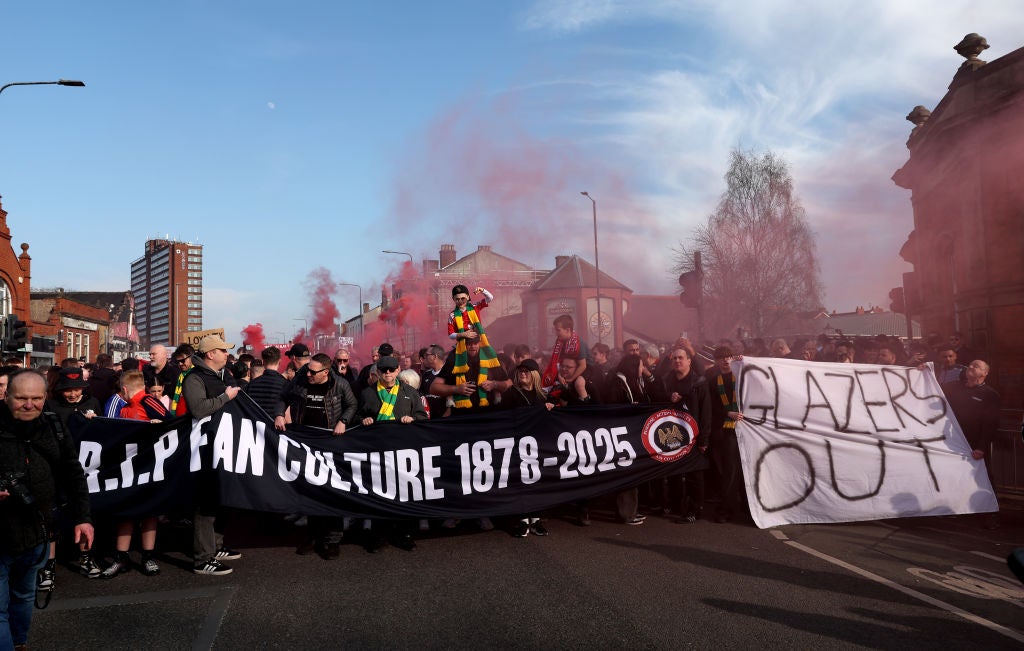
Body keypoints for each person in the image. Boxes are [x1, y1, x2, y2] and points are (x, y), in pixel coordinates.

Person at [1, 370, 94, 650]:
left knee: (24, 596)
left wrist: (83, 518)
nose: (29, 405)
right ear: (6, 397)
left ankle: (19, 643)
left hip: (37, 531)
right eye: (21, 398)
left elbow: (73, 473)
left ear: (45, 397)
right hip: (0, 533)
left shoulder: (53, 425)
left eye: (36, 398)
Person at [281, 353, 358, 560]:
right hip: (305, 442)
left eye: (313, 372)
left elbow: (352, 405)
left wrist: (343, 420)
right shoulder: (300, 379)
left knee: (332, 493)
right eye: (308, 370)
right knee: (309, 491)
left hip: (331, 444)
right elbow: (282, 397)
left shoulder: (340, 384)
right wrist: (280, 414)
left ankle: (332, 540)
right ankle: (313, 536)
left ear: (325, 372)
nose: (308, 374)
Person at [181, 335, 242, 576]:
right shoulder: (194, 377)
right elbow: (197, 409)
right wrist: (226, 397)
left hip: (221, 445)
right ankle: (202, 558)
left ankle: (215, 546)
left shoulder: (220, 375)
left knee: (219, 496)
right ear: (210, 354)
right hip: (204, 448)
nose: (227, 354)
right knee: (204, 501)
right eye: (222, 350)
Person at [101, 371, 168, 578]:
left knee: (149, 512)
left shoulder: (149, 400)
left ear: (124, 389)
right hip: (129, 468)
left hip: (149, 466)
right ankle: (122, 557)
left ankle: (147, 556)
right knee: (126, 511)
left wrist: (160, 426)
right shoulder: (125, 408)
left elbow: (172, 422)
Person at [358, 355, 427, 551]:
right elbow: (357, 416)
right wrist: (364, 421)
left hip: (404, 451)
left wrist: (413, 419)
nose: (387, 373)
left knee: (406, 494)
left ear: (397, 371)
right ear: (377, 372)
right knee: (379, 495)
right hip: (378, 451)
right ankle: (379, 536)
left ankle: (405, 535)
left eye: (391, 370)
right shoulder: (367, 393)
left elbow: (422, 416)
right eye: (383, 370)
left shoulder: (410, 392)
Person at [943, 359, 1001, 528]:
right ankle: (960, 509)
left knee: (984, 478)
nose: (971, 367)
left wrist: (982, 447)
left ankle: (990, 513)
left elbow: (991, 423)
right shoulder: (954, 387)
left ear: (985, 373)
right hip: (954, 442)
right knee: (957, 475)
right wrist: (922, 369)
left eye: (977, 366)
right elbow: (931, 385)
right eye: (970, 364)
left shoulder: (990, 394)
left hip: (976, 444)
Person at [660, 346, 712, 524]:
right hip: (672, 435)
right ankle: (675, 505)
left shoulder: (699, 382)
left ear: (689, 361)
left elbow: (706, 412)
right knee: (673, 472)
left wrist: (703, 439)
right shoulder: (667, 380)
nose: (677, 361)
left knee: (694, 476)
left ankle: (694, 510)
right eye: (674, 358)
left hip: (694, 436)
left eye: (681, 358)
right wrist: (668, 396)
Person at [502, 358, 553, 537]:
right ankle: (522, 520)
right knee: (521, 481)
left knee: (537, 481)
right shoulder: (511, 393)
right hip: (517, 444)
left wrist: (549, 408)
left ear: (534, 374)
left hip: (538, 445)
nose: (522, 373)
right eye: (520, 371)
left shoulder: (542, 396)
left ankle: (537, 518)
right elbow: (503, 417)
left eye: (526, 371)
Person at [707, 346, 746, 523]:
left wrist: (746, 362)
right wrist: (726, 413)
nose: (725, 360)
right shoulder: (713, 381)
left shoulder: (742, 377)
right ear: (716, 361)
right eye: (721, 358)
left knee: (741, 470)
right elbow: (711, 407)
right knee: (728, 471)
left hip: (745, 430)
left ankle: (737, 507)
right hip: (725, 431)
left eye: (728, 357)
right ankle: (727, 509)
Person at [542, 315, 589, 390]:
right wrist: (560, 375)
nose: (556, 333)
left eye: (558, 330)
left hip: (586, 372)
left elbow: (583, 366)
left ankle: (585, 400)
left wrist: (571, 379)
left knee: (578, 384)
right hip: (568, 371)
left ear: (567, 330)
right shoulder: (561, 342)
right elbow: (558, 362)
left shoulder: (579, 343)